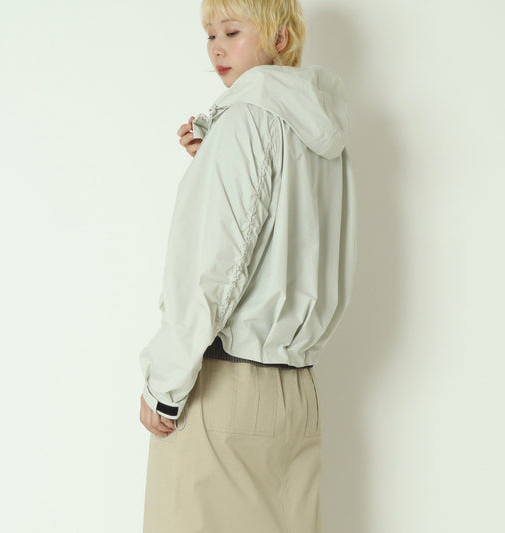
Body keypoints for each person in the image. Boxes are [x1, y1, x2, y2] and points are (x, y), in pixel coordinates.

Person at [138, 0, 357, 531]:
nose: (216, 47)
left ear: (280, 38)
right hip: (297, 395)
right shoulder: (323, 136)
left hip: (225, 391)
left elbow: (215, 267)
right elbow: (288, 236)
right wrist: (213, 160)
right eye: (210, 35)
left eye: (232, 31)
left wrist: (164, 385)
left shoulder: (245, 121)